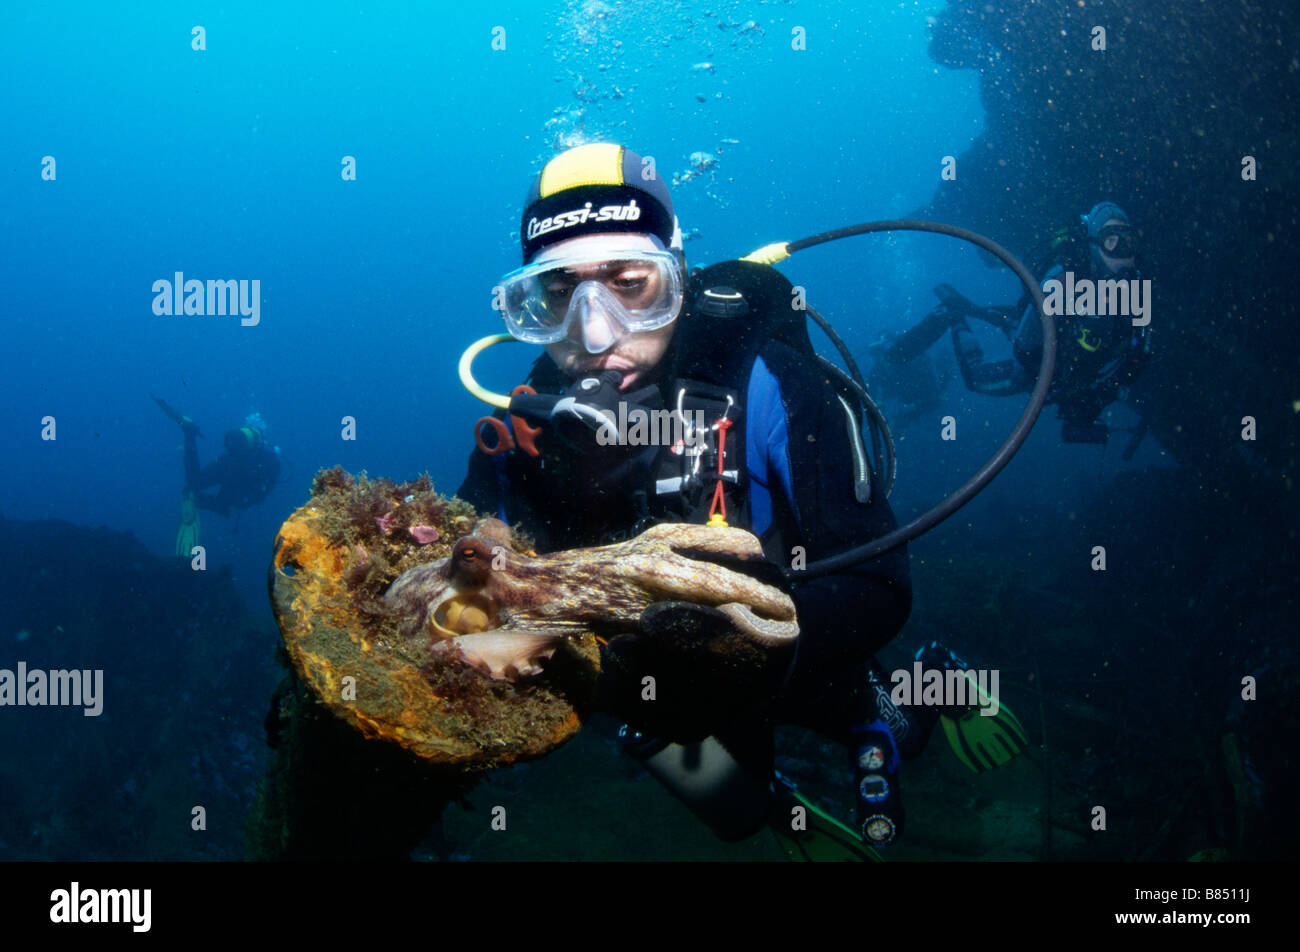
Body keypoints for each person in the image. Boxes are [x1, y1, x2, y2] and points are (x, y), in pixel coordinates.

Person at [456, 143, 1024, 854]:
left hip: (792, 639)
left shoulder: (765, 382)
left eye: (632, 286)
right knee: (733, 814)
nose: (597, 334)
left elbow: (878, 584)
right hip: (646, 680)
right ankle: (775, 802)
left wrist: (726, 654)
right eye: (561, 295)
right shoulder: (524, 428)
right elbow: (468, 555)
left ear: (679, 281)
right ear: (529, 307)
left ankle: (917, 688)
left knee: (888, 727)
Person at [885, 201, 1152, 444]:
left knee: (1010, 319)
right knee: (977, 378)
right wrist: (1060, 378)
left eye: (1129, 243)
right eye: (1111, 241)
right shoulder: (1060, 282)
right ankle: (952, 314)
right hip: (1033, 360)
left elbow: (1139, 356)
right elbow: (1025, 351)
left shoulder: (1138, 290)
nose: (1122, 254)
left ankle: (977, 310)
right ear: (1094, 243)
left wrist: (1098, 397)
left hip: (1067, 371)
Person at [153, 396, 281, 555]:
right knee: (230, 502)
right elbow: (257, 494)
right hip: (238, 481)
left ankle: (189, 433)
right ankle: (197, 500)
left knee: (194, 482)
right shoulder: (269, 459)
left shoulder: (235, 455)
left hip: (229, 466)